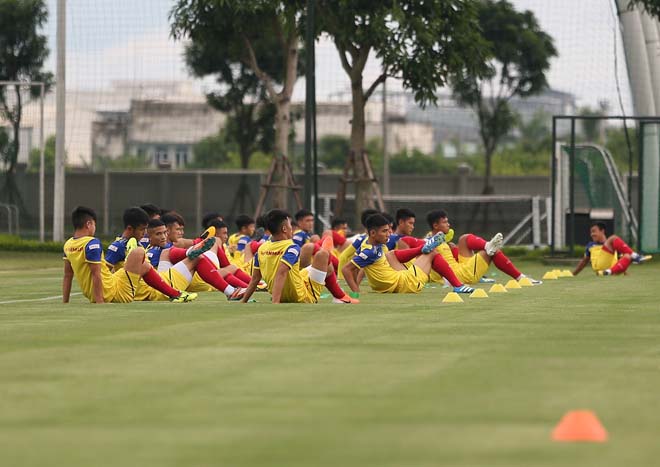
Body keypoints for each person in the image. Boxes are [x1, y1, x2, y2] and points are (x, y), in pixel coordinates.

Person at [63, 206, 197, 304]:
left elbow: (68, 275)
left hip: (112, 285)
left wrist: (65, 302)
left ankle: (175, 294)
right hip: (114, 292)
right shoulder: (92, 243)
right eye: (143, 229)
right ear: (89, 224)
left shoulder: (68, 244)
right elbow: (96, 274)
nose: (144, 233)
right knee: (139, 252)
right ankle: (174, 292)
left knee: (143, 264)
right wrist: (100, 302)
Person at [342, 214, 474, 295]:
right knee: (433, 253)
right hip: (407, 284)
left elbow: (358, 265)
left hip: (390, 283)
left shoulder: (369, 244)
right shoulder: (370, 251)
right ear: (372, 233)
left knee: (391, 254)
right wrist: (356, 293)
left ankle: (422, 248)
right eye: (384, 231)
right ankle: (458, 286)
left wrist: (357, 285)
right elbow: (347, 269)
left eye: (389, 231)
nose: (388, 234)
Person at [241, 209, 334, 304]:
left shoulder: (261, 249)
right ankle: (339, 296)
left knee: (312, 268)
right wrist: (275, 303)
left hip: (281, 293)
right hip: (303, 297)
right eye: (290, 225)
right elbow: (281, 272)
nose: (292, 229)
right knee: (324, 255)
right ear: (284, 229)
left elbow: (255, 278)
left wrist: (244, 301)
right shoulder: (292, 247)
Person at [425, 210, 541, 285]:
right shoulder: (428, 243)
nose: (448, 224)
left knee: (464, 239)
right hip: (459, 276)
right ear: (435, 225)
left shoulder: (439, 240)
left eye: (447, 221)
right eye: (445, 222)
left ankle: (487, 245)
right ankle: (521, 278)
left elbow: (448, 262)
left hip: (459, 269)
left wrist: (453, 249)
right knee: (491, 252)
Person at [573, 221, 651, 276]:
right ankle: (636, 256)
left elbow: (619, 259)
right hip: (599, 266)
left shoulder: (614, 245)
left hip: (612, 269)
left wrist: (625, 273)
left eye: (594, 231)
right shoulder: (590, 245)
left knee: (627, 256)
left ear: (602, 231)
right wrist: (573, 274)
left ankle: (608, 272)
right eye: (591, 232)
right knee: (613, 237)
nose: (592, 234)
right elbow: (584, 261)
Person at [105, 207, 150, 272]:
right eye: (142, 229)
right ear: (130, 228)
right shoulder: (118, 246)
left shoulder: (139, 244)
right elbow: (105, 273)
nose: (145, 233)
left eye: (146, 229)